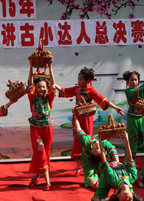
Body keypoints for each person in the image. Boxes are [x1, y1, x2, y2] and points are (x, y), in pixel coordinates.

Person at [56, 67, 124, 174]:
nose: (79, 81)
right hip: (77, 117)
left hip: (87, 118)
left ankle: (90, 164)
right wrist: (54, 84)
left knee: (87, 140)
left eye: (81, 79)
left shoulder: (90, 91)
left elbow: (102, 99)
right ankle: (79, 166)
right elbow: (64, 91)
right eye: (78, 79)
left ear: (88, 81)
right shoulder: (76, 89)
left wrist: (116, 107)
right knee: (77, 139)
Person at [91, 132, 144, 201]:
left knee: (97, 197)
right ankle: (139, 200)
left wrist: (100, 142)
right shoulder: (132, 176)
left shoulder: (111, 178)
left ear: (118, 195)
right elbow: (129, 159)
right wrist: (126, 139)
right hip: (118, 168)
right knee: (129, 189)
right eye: (130, 200)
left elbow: (104, 161)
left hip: (106, 179)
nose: (127, 198)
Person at [72, 109, 119, 189]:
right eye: (98, 148)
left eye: (96, 149)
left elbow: (78, 128)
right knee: (89, 176)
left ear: (91, 151)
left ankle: (101, 183)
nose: (97, 146)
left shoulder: (86, 141)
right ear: (103, 150)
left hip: (101, 159)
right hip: (88, 159)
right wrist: (116, 162)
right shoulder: (103, 143)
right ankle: (95, 184)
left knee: (104, 174)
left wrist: (75, 116)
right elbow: (114, 153)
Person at [27, 59, 56, 190]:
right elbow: (29, 85)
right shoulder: (32, 98)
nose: (42, 89)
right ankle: (48, 181)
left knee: (46, 152)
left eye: (43, 87)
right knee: (40, 152)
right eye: (39, 87)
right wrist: (31, 66)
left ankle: (36, 176)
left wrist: (50, 67)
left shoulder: (49, 98)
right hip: (35, 128)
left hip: (48, 128)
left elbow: (53, 85)